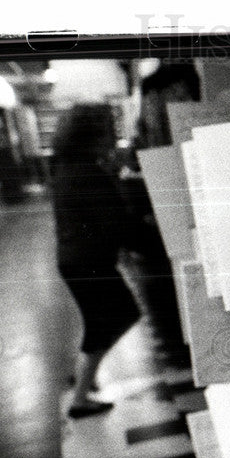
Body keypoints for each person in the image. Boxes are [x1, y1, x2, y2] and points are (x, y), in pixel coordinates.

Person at [51, 104, 141, 418]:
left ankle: (83, 375)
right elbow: (115, 220)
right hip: (89, 262)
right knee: (113, 320)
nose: (113, 136)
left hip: (78, 259)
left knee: (107, 321)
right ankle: (79, 399)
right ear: (91, 135)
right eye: (108, 130)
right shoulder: (86, 172)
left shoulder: (67, 165)